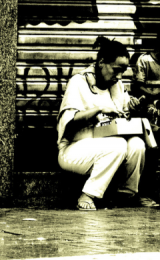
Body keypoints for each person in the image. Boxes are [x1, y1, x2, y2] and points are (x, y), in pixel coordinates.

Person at [57, 37, 154, 211]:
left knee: (137, 145)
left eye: (123, 71)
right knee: (118, 145)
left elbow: (123, 115)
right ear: (102, 62)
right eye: (116, 70)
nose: (119, 76)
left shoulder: (116, 85)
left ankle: (126, 194)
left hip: (107, 145)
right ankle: (87, 195)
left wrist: (132, 107)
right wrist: (98, 109)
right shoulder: (78, 82)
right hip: (73, 149)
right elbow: (68, 124)